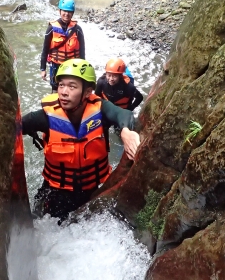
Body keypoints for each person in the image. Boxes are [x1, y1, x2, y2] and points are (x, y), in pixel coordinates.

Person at [23, 59, 140, 222]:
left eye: (72, 86)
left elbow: (123, 114)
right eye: (61, 85)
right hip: (54, 191)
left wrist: (126, 131)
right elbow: (16, 126)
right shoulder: (46, 116)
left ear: (87, 92)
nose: (63, 92)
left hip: (89, 190)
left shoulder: (100, 110)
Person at [39, 0, 85, 92]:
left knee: (71, 89)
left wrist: (83, 69)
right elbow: (45, 50)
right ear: (59, 11)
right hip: (56, 65)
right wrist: (43, 69)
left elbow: (82, 51)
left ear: (72, 13)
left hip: (73, 66)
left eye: (69, 12)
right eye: (64, 11)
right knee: (55, 89)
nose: (67, 14)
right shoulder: (51, 28)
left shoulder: (77, 29)